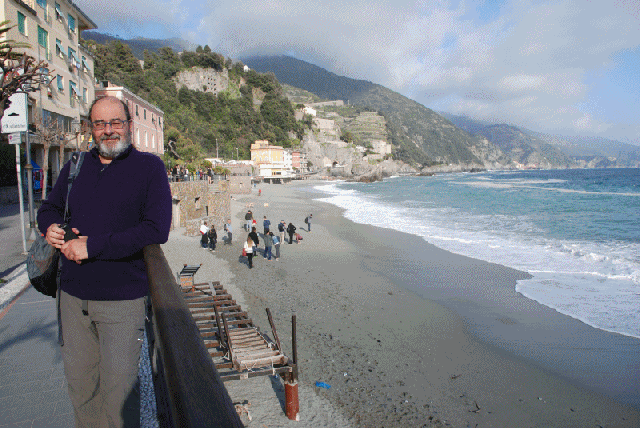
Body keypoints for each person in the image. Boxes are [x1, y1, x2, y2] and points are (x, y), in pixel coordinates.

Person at [37, 96, 172, 428]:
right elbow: (49, 208)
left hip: (122, 302)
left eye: (115, 122)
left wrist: (92, 247)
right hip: (71, 298)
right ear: (91, 128)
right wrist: (50, 227)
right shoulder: (76, 164)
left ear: (128, 125)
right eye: (100, 123)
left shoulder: (150, 168)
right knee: (82, 391)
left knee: (119, 396)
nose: (108, 130)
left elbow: (156, 228)